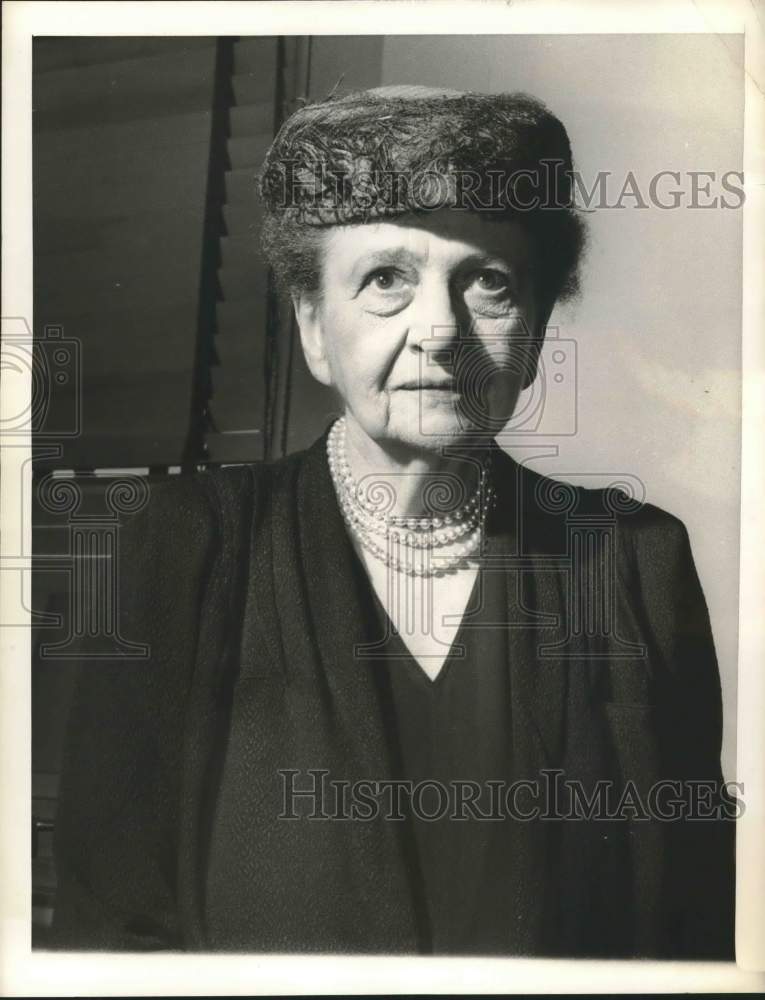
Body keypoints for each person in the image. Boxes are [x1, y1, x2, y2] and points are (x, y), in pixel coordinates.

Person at [49, 86, 735, 957]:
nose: (438, 330)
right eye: (384, 280)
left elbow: (694, 925)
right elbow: (110, 933)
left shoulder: (634, 561)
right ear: (312, 326)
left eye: (488, 281)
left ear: (535, 324)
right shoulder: (189, 544)